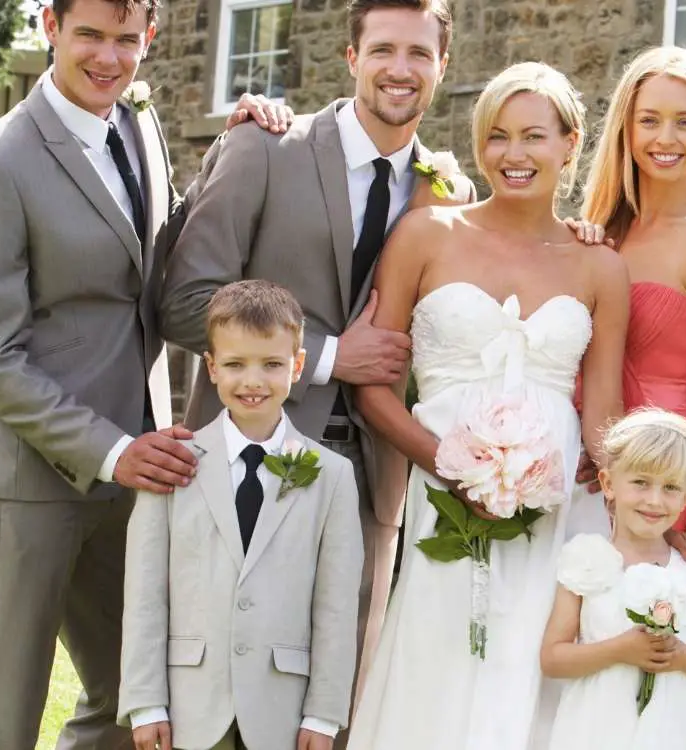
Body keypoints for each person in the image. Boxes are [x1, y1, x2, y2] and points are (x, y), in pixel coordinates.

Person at [0, 0, 285, 746]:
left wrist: (231, 149)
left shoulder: (138, 123)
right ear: (49, 29)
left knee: (135, 704)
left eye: (126, 40)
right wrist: (113, 450)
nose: (108, 57)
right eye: (89, 35)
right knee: (5, 716)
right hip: (24, 480)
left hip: (135, 472)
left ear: (149, 38)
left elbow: (155, 256)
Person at [157, 0, 479, 717]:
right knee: (225, 696)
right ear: (351, 57)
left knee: (338, 697)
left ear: (442, 67)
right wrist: (331, 356)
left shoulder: (448, 193)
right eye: (384, 50)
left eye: (419, 55)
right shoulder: (264, 148)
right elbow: (184, 303)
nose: (401, 70)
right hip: (250, 461)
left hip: (375, 479)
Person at [344, 61, 629, 750]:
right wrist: (444, 462)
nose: (513, 155)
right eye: (496, 137)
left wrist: (637, 503)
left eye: (533, 136)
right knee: (436, 646)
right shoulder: (425, 235)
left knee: (531, 655)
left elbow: (604, 416)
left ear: (571, 142)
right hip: (440, 491)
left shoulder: (601, 266)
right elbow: (373, 384)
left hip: (554, 503)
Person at [119, 280, 363, 750]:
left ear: (297, 366)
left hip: (282, 711)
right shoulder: (173, 462)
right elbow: (145, 593)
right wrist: (146, 702)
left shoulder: (331, 476)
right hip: (190, 707)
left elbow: (335, 607)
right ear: (211, 368)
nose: (253, 381)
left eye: (271, 364)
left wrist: (324, 715)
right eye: (235, 364)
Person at [575, 46, 686, 567]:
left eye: (684, 123)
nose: (665, 139)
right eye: (649, 120)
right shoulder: (602, 228)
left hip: (663, 486)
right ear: (627, 127)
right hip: (585, 477)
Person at [541, 409, 686, 750]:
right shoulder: (584, 559)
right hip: (597, 728)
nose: (655, 500)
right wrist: (620, 649)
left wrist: (682, 657)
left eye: (671, 487)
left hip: (672, 729)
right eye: (641, 482)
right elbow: (554, 658)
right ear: (608, 484)